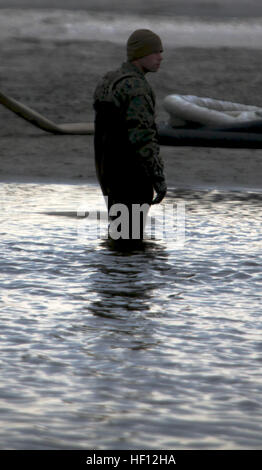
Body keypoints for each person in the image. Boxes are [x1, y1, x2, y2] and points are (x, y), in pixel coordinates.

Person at [93, 29, 167, 243]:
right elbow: (143, 138)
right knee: (131, 240)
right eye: (155, 52)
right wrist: (158, 178)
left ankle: (115, 272)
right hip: (130, 172)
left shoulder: (108, 79)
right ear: (140, 54)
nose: (160, 57)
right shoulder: (137, 88)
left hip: (106, 167)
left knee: (118, 233)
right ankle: (128, 273)